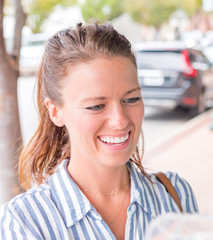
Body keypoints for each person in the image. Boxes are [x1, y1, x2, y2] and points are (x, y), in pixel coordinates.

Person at [0, 22, 198, 240]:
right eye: (96, 106)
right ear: (55, 112)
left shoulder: (174, 194)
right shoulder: (25, 222)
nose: (120, 120)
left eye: (131, 99)